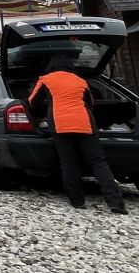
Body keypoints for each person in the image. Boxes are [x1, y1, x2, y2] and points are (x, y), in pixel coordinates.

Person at [29, 58, 127, 214]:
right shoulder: (80, 81)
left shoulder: (46, 79)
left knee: (69, 162)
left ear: (50, 67)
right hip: (84, 122)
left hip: (60, 124)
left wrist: (43, 113)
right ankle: (116, 203)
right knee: (98, 162)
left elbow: (33, 101)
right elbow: (90, 103)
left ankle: (77, 201)